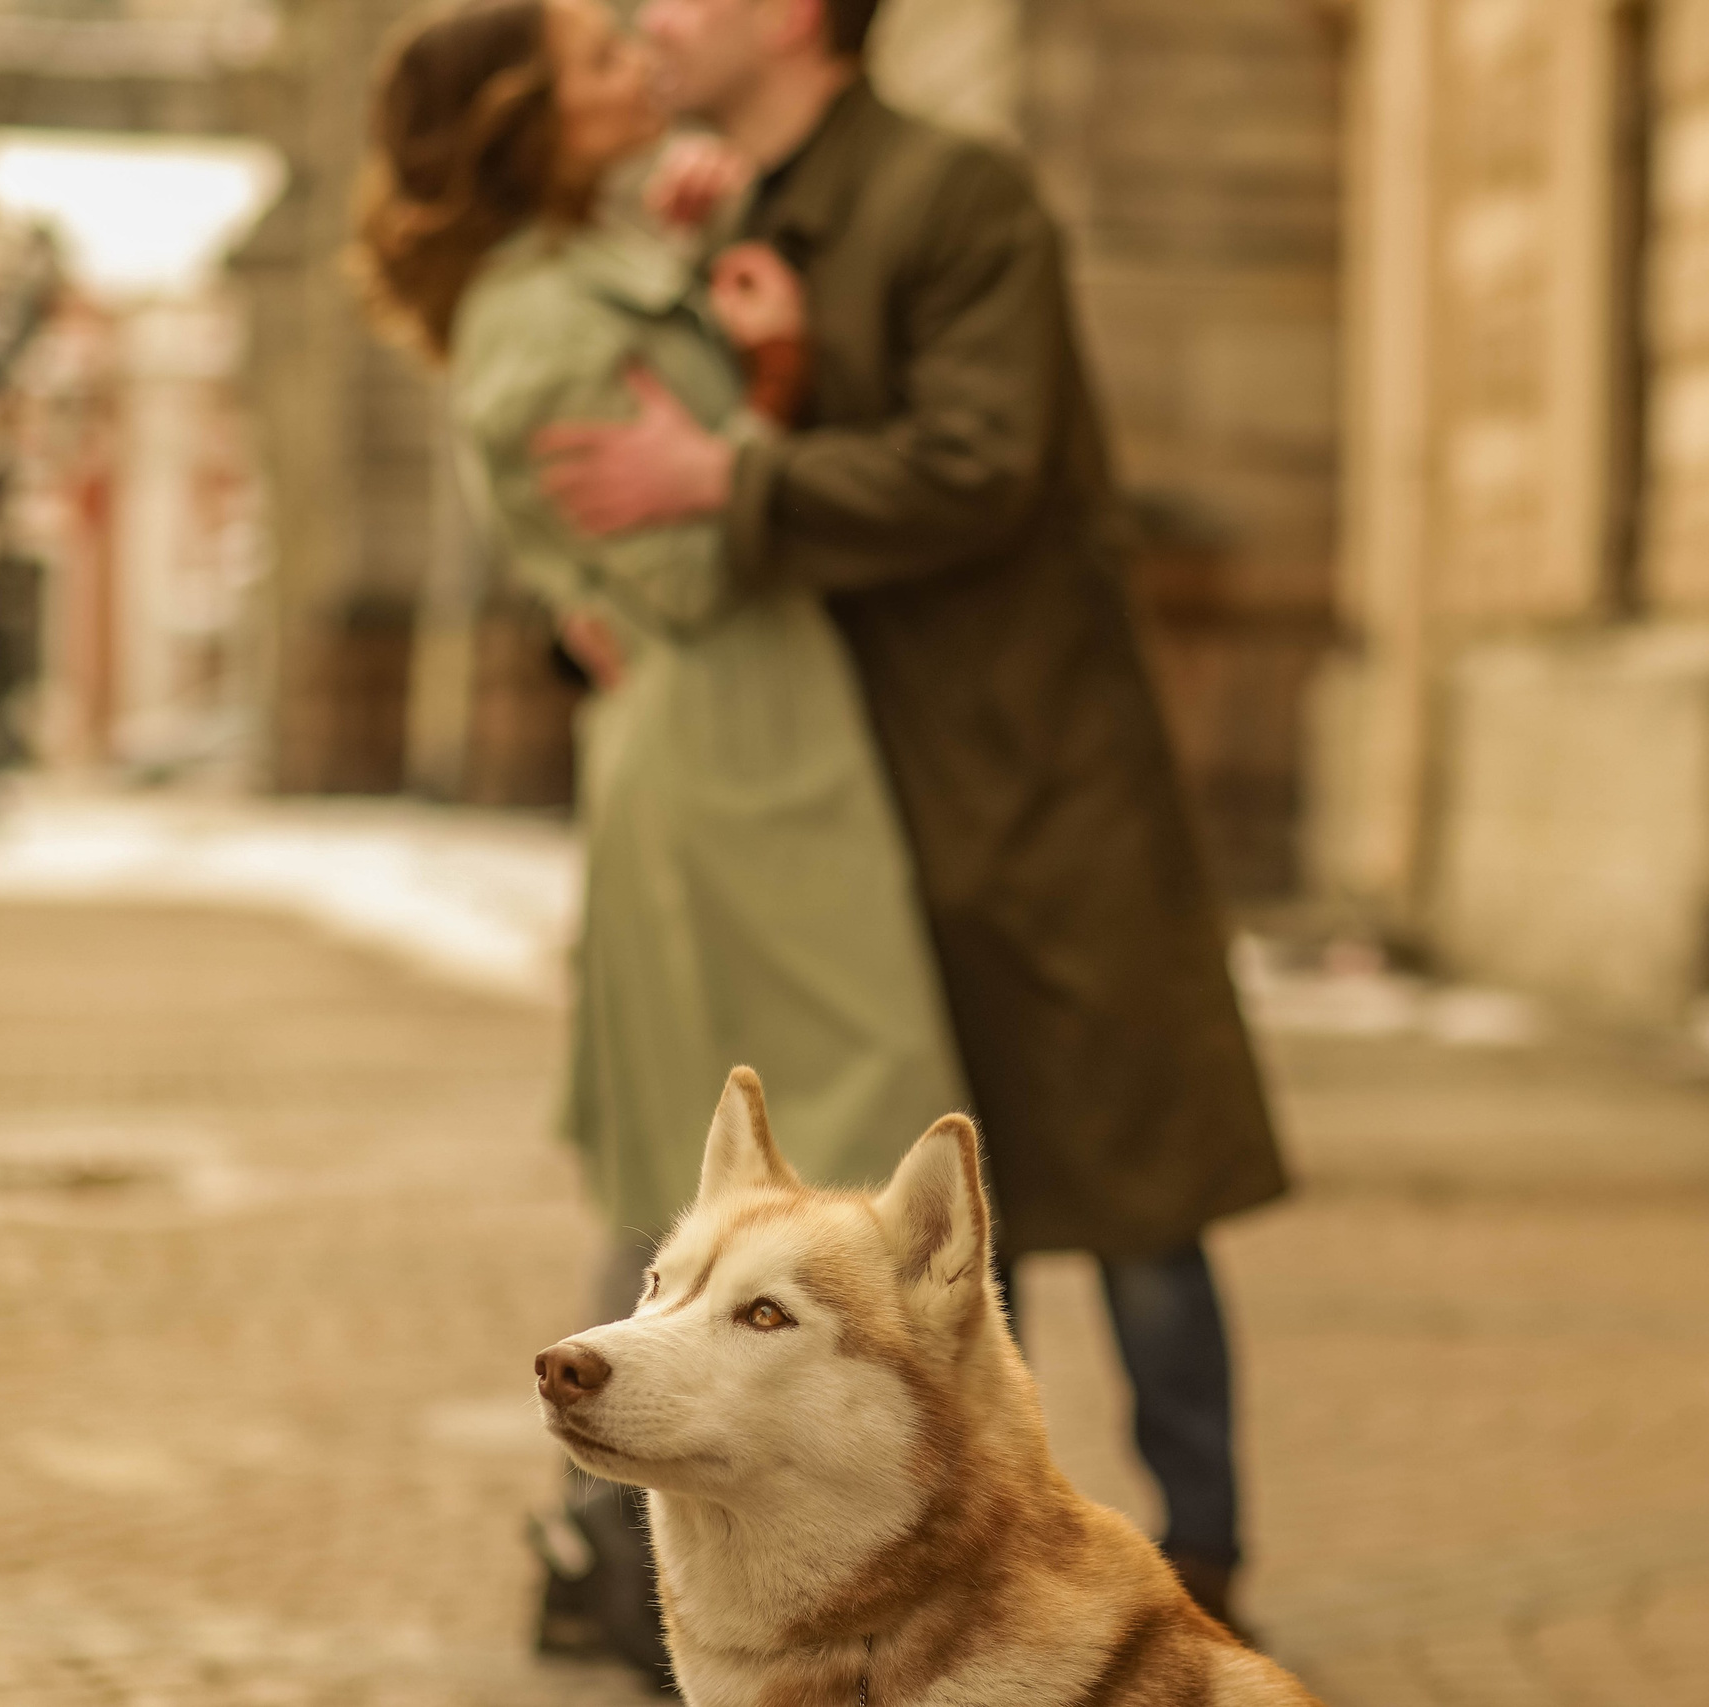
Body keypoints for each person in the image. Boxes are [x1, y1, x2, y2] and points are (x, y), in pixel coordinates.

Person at [526, 0, 1291, 1629]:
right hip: (823, 796)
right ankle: (851, 1580)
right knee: (830, 1223)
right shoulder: (718, 207)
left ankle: (1205, 1569)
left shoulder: (958, 197)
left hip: (1025, 770)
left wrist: (728, 481)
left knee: (1129, 1182)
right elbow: (604, 445)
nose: (649, 21)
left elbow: (984, 460)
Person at [350, 0, 969, 1687]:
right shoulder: (540, 320)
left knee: (726, 1175)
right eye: (592, 63)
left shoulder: (603, 260)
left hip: (744, 749)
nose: (637, 61)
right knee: (860, 1188)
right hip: (736, 768)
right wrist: (764, 389)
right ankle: (819, 1594)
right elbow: (688, 570)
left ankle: (645, 1576)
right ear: (517, 129)